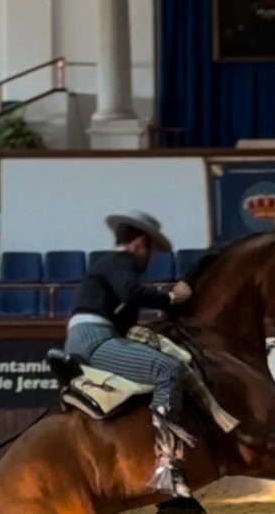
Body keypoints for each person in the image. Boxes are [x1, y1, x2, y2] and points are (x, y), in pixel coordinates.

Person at [64, 211, 196, 499]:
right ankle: (166, 464)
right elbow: (131, 292)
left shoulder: (108, 270)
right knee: (168, 370)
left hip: (87, 337)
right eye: (151, 251)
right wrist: (172, 296)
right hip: (95, 339)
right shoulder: (120, 263)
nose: (150, 259)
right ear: (140, 243)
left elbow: (128, 310)